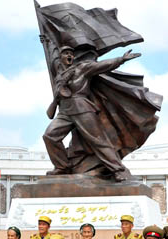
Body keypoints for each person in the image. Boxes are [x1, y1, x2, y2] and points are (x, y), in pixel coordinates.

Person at [42, 45, 141, 182]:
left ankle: (117, 170)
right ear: (61, 58)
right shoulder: (60, 76)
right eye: (66, 54)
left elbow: (101, 66)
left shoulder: (81, 68)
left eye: (71, 54)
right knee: (49, 136)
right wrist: (48, 43)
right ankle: (62, 167)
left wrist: (121, 59)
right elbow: (52, 58)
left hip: (82, 108)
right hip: (64, 111)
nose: (69, 56)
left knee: (98, 140)